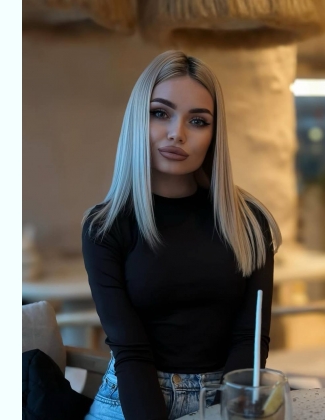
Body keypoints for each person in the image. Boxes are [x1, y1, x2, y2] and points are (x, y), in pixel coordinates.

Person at [82, 50, 282, 420]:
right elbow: (130, 350)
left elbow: (251, 340)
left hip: (224, 399)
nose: (178, 133)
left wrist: (225, 412)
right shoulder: (105, 226)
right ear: (138, 120)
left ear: (213, 135)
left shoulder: (249, 222)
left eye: (198, 121)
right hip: (130, 402)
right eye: (160, 113)